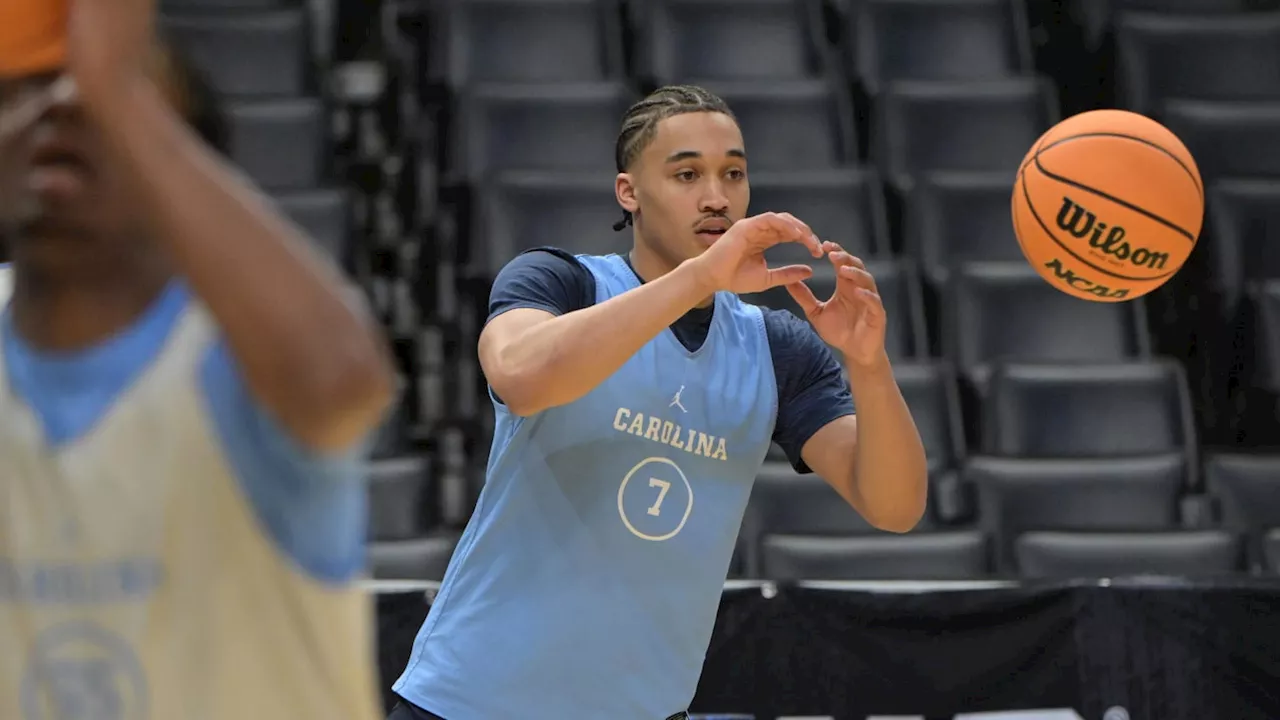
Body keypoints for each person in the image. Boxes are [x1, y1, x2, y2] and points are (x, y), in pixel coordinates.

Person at [389, 85, 930, 720]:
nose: (716, 196)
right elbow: (519, 375)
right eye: (687, 174)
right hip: (471, 702)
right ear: (629, 192)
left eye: (733, 172)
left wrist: (868, 363)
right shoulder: (560, 281)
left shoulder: (776, 348)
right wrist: (701, 277)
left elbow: (894, 506)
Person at [0, 0, 395, 718]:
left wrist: (115, 89)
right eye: (30, 93)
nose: (64, 105)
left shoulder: (234, 353)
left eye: (98, 98)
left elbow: (344, 384)